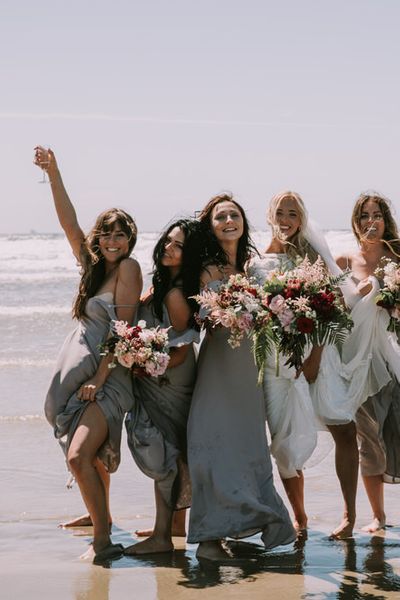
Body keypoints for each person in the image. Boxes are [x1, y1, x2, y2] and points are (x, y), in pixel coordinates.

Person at [34, 147, 142, 562]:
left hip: (110, 376)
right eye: (107, 234)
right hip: (80, 365)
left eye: (121, 234)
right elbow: (67, 222)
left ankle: (104, 541)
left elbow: (124, 330)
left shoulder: (128, 270)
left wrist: (99, 376)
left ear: (130, 240)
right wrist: (54, 172)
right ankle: (100, 516)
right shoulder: (92, 266)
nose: (113, 241)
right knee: (88, 454)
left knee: (80, 455)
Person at [187, 193, 296, 563]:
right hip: (218, 366)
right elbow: (199, 313)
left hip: (250, 368)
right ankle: (208, 537)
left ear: (243, 223)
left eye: (234, 215)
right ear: (212, 226)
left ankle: (239, 525)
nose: (229, 220)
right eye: (221, 217)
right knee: (212, 443)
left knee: (248, 446)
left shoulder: (254, 267)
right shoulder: (206, 269)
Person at [250, 191, 360, 539]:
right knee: (282, 440)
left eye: (292, 214)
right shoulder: (255, 263)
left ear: (301, 219)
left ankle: (350, 514)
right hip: (277, 364)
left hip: (317, 356)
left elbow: (333, 311)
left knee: (345, 428)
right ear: (270, 215)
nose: (285, 219)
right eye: (280, 212)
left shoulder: (312, 259)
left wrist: (315, 356)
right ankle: (300, 516)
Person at [124, 219, 204, 555]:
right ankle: (173, 527)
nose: (170, 248)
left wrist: (148, 367)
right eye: (169, 241)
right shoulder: (164, 283)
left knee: (166, 452)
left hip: (170, 379)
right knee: (174, 451)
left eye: (180, 246)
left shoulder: (174, 292)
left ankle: (161, 536)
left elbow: (183, 348)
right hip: (162, 375)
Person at [336, 191, 400, 533]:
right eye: (363, 215)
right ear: (356, 221)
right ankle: (378, 516)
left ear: (385, 220)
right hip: (357, 359)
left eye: (376, 214)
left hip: (393, 356)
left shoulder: (397, 259)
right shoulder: (344, 262)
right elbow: (331, 314)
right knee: (369, 439)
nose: (370, 221)